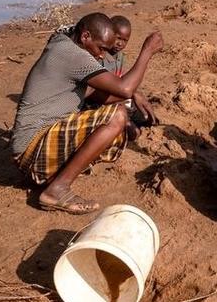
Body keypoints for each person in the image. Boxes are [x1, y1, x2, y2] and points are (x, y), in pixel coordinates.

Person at [10, 12, 163, 214]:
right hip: (31, 149)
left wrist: (132, 95)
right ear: (85, 36)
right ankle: (56, 190)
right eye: (100, 48)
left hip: (37, 144)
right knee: (116, 116)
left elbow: (97, 95)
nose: (101, 56)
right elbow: (124, 88)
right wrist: (147, 52)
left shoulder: (66, 44)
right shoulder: (71, 54)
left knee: (119, 117)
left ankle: (57, 177)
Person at [99, 15, 158, 129]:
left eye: (124, 40)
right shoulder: (101, 56)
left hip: (118, 96)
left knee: (144, 116)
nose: (120, 44)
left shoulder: (120, 57)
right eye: (118, 38)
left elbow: (121, 79)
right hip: (104, 99)